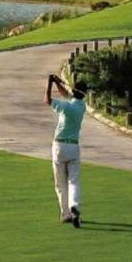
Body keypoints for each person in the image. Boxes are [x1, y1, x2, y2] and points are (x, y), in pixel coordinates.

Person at [44, 74, 88, 228]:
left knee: (60, 183)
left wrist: (50, 83)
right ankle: (74, 206)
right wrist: (57, 82)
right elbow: (66, 94)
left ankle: (66, 214)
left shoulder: (65, 107)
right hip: (74, 147)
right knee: (73, 180)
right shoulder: (82, 106)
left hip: (60, 146)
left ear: (74, 91)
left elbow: (47, 100)